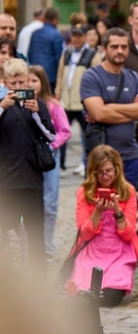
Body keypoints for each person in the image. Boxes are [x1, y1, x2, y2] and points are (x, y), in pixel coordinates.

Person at [66, 144, 138, 306]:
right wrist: (98, 212)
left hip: (120, 251)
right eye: (100, 172)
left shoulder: (128, 191)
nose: (105, 176)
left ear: (116, 170)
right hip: (92, 249)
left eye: (108, 171)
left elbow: (129, 234)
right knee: (83, 294)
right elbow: (84, 233)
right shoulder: (84, 192)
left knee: (110, 297)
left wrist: (117, 210)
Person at [0, 58, 56, 274]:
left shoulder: (37, 105)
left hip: (32, 179)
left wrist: (35, 114)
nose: (18, 88)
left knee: (35, 233)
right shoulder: (2, 103)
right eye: (13, 84)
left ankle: (38, 280)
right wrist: (3, 108)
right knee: (6, 232)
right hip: (6, 181)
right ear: (5, 82)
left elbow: (51, 135)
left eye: (22, 84)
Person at [80, 28, 138, 186]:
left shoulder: (133, 77)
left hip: (130, 156)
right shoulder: (92, 76)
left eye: (124, 47)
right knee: (102, 207)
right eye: (114, 47)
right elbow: (99, 114)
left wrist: (109, 107)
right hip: (100, 159)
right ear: (103, 49)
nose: (120, 51)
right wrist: (133, 110)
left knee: (128, 208)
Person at [27, 64, 71, 258]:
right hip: (29, 159)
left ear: (42, 83)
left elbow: (65, 131)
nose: (30, 84)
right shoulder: (19, 105)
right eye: (27, 80)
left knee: (50, 203)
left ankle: (48, 245)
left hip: (49, 157)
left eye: (34, 81)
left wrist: (50, 147)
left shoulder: (52, 105)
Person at [55, 26, 100, 174]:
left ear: (85, 37)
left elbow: (96, 77)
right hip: (66, 102)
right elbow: (60, 74)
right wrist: (57, 93)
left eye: (79, 36)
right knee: (61, 134)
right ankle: (60, 165)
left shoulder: (92, 55)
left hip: (82, 103)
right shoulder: (67, 53)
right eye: (74, 36)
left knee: (87, 136)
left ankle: (86, 164)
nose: (76, 39)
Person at [28, 7, 64, 91]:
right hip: (50, 75)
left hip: (35, 72)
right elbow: (58, 57)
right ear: (55, 19)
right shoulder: (56, 35)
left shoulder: (35, 33)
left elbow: (30, 53)